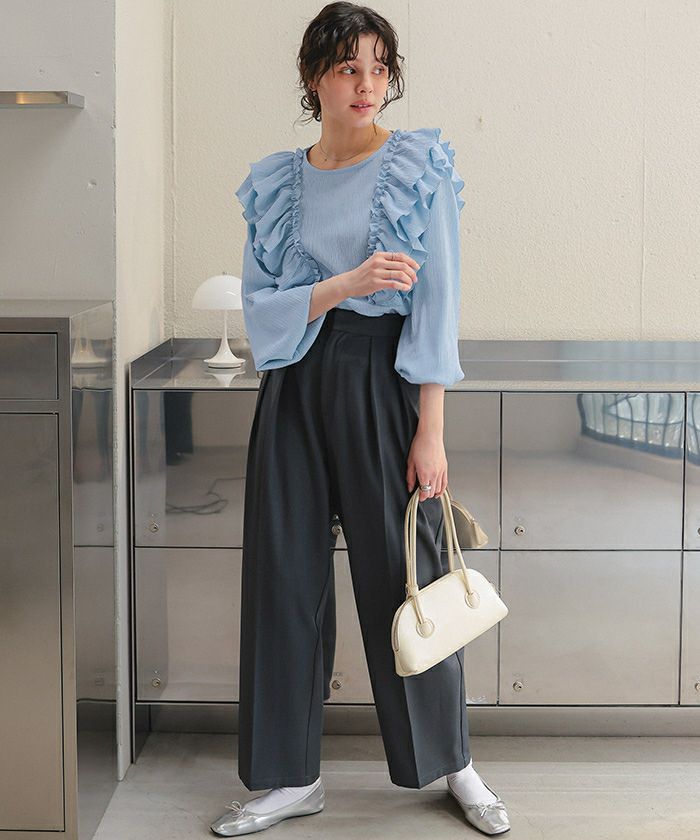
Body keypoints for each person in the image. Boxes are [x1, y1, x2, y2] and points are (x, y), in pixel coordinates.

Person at [210, 3, 510, 836]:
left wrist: (430, 431)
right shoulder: (279, 181)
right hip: (295, 384)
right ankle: (287, 779)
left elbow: (436, 305)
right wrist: (344, 284)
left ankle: (452, 764)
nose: (367, 84)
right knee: (283, 578)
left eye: (380, 68)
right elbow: (263, 312)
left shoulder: (417, 168)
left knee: (405, 579)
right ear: (315, 78)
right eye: (349, 68)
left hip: (384, 381)